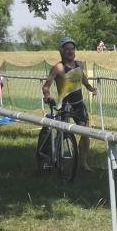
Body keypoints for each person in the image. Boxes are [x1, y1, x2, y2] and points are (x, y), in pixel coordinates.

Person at [42, 36, 96, 171]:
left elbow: (83, 79)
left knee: (86, 134)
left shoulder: (79, 65)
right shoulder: (58, 68)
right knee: (61, 133)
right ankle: (54, 157)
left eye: (72, 49)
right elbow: (46, 86)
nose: (70, 52)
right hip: (64, 106)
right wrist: (47, 95)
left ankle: (83, 162)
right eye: (67, 49)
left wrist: (90, 88)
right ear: (61, 51)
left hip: (79, 105)